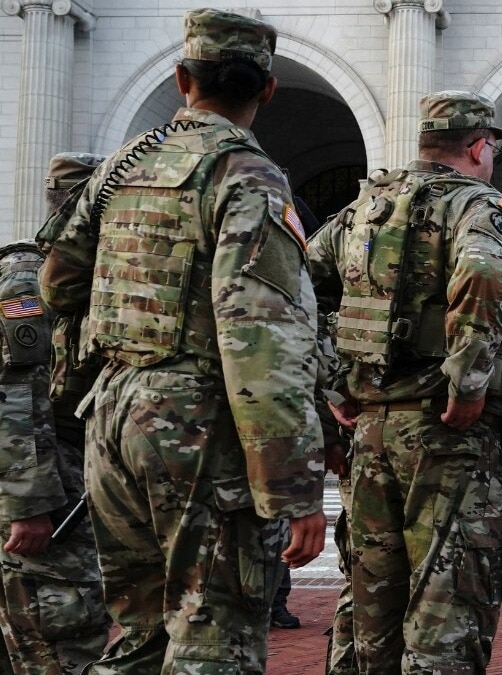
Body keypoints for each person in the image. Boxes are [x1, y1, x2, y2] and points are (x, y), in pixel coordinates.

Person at [38, 9, 327, 673]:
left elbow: (58, 283)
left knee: (140, 634)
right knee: (214, 637)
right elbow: (261, 341)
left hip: (113, 416)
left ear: (181, 78)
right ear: (267, 90)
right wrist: (294, 487)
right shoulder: (247, 175)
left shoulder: (121, 167)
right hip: (200, 431)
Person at [307, 89, 502, 673]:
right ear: (478, 146)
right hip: (446, 436)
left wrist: (333, 384)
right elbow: (484, 271)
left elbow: (293, 285)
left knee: (372, 598)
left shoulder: (364, 208)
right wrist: (468, 384)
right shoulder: (476, 205)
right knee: (448, 602)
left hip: (370, 430)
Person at [0, 154, 111, 675]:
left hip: (61, 473)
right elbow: (18, 395)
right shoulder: (29, 280)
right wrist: (31, 505)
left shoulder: (74, 274)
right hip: (44, 487)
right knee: (61, 639)